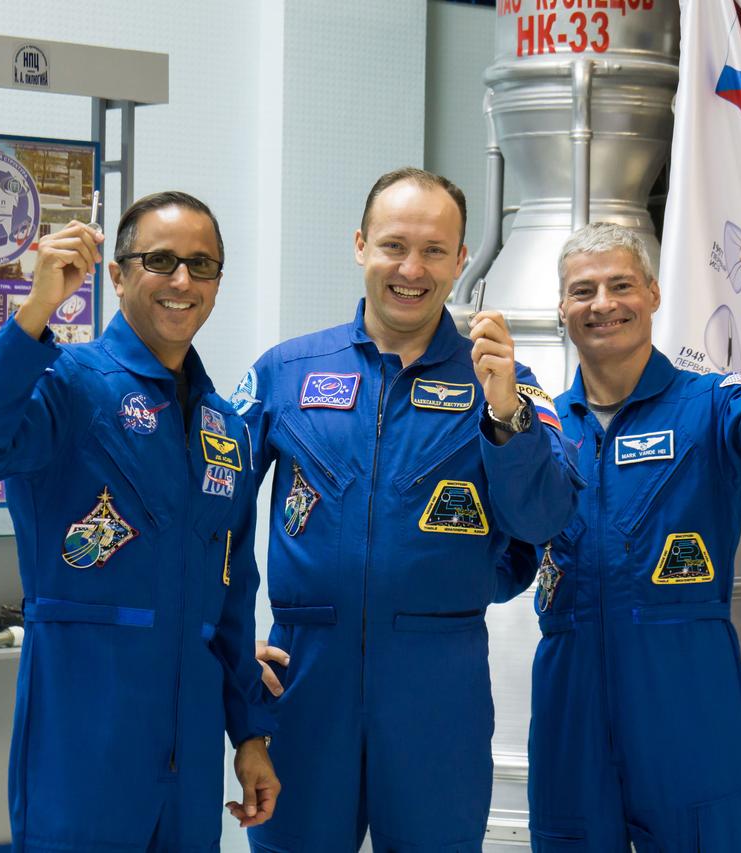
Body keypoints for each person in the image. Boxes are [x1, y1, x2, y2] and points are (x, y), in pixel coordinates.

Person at [237, 167, 582, 852]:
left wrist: (505, 412)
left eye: (433, 250)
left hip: (437, 679)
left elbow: (544, 519)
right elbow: (204, 511)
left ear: (461, 261)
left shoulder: (505, 381)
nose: (411, 269)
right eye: (394, 245)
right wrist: (228, 636)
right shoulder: (287, 371)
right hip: (304, 671)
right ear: (361, 244)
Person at [0, 191, 279, 853]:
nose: (182, 281)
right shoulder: (66, 384)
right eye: (161, 260)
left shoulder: (224, 429)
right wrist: (35, 312)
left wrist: (250, 735)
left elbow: (231, 603)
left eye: (202, 265)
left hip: (192, 763)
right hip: (82, 749)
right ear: (116, 275)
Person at [515, 222, 741, 851]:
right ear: (562, 308)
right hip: (569, 700)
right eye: (583, 291)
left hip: (687, 698)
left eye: (621, 285)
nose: (603, 304)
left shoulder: (711, 407)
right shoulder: (544, 433)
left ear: (655, 295)